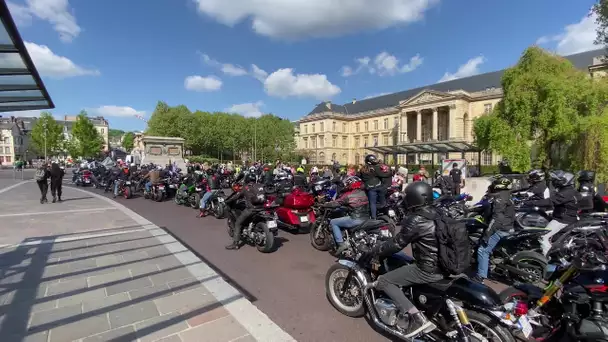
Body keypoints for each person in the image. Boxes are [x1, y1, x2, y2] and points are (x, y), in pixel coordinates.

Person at [363, 182, 443, 338]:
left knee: (385, 280)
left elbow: (396, 244)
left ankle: (416, 317)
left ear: (413, 198)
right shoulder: (440, 213)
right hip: (448, 265)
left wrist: (375, 251)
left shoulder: (416, 219)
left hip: (428, 269)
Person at [472, 176, 515, 283]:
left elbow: (497, 219)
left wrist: (487, 235)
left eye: (494, 183)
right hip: (508, 225)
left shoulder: (499, 198)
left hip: (502, 228)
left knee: (483, 250)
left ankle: (480, 277)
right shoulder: (506, 194)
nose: (491, 185)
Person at [324, 176, 369, 254]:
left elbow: (336, 203)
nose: (346, 185)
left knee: (333, 222)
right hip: (366, 217)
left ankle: (340, 244)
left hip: (355, 218)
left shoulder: (348, 195)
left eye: (347, 184)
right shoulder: (363, 192)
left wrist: (325, 204)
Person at [541, 170, 581, 256]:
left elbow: (550, 202)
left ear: (564, 181)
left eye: (557, 180)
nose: (554, 182)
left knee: (542, 237)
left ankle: (547, 259)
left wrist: (529, 203)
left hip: (562, 220)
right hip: (569, 218)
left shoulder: (565, 193)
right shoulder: (572, 191)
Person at [225, 173, 267, 250]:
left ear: (247, 179)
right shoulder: (260, 186)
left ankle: (235, 244)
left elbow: (237, 196)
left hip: (251, 209)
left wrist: (228, 200)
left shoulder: (246, 187)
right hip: (262, 208)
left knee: (238, 222)